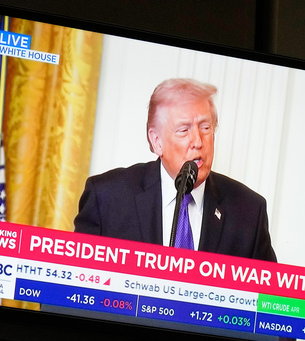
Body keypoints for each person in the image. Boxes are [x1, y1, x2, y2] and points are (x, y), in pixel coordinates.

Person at [73, 78, 276, 262]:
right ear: (157, 141)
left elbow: (270, 299)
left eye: (206, 127)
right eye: (183, 130)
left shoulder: (249, 211)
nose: (197, 142)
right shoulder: (108, 197)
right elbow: (73, 289)